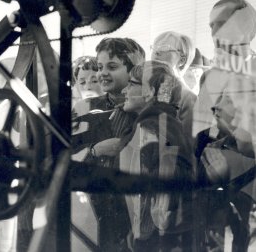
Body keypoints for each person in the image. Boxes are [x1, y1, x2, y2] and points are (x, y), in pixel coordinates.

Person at [194, 0, 256, 252]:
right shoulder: (209, 76)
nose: (214, 32)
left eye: (222, 23)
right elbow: (199, 131)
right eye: (211, 26)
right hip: (214, 185)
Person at [72, 37, 145, 252]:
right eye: (100, 66)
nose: (102, 73)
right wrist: (95, 151)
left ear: (134, 70)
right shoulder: (85, 107)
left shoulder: (147, 110)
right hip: (90, 209)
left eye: (112, 67)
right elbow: (65, 154)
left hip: (133, 210)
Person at [119, 61, 195, 251]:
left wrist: (141, 233)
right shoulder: (168, 124)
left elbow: (160, 192)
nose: (124, 90)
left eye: (131, 83)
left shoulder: (150, 128)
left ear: (151, 91)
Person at [151, 31, 197, 146]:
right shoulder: (146, 91)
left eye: (165, 48)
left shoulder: (188, 98)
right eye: (154, 47)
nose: (156, 52)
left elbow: (188, 146)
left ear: (181, 60)